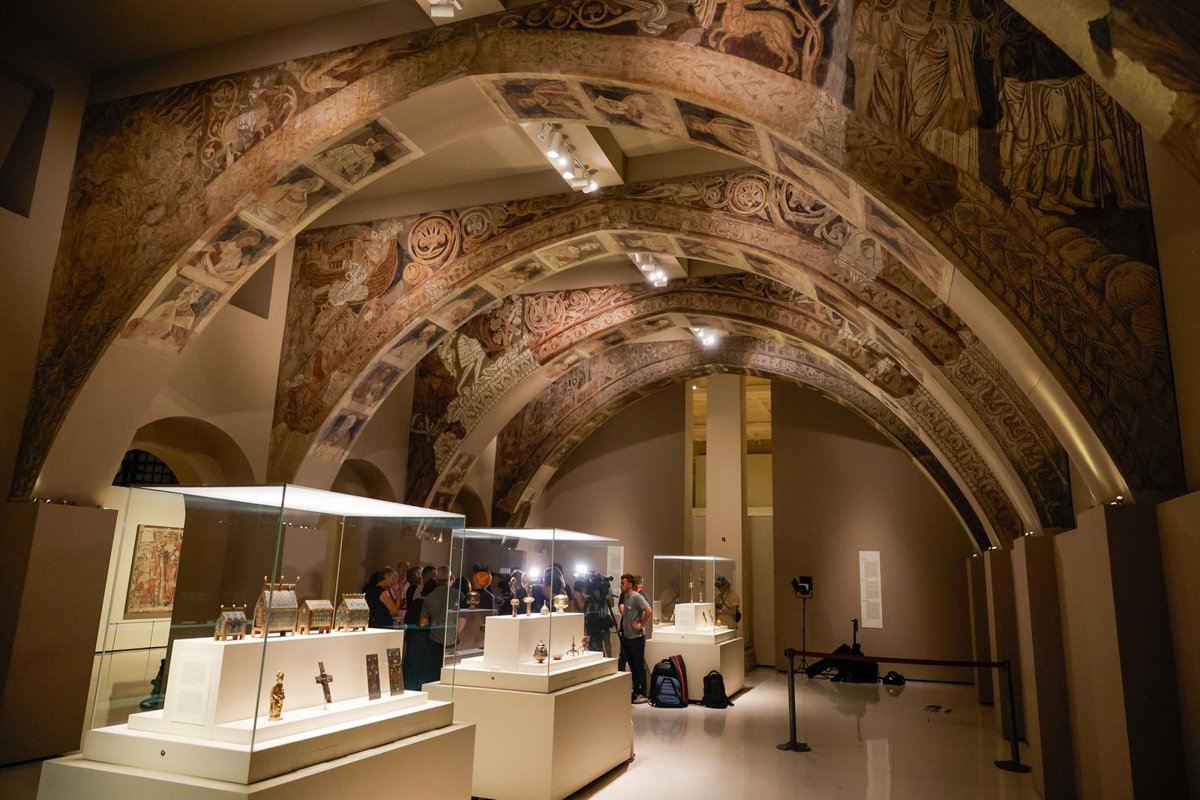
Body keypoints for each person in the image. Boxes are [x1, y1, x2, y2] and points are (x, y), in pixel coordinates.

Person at [420, 566, 465, 686]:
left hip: (435, 639)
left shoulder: (430, 597)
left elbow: (423, 622)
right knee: (451, 674)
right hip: (453, 639)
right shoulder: (459, 595)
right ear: (450, 578)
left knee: (434, 675)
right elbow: (463, 619)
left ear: (436, 578)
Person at [619, 573, 651, 704]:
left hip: (636, 637)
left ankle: (643, 692)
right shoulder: (626, 597)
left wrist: (641, 624)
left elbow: (648, 611)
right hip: (628, 637)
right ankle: (636, 690)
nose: (621, 586)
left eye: (623, 583)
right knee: (632, 665)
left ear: (630, 584)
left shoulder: (637, 597)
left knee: (638, 665)